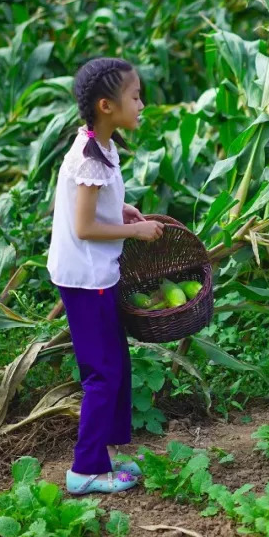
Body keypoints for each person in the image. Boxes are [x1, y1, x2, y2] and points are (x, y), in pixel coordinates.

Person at [46, 57, 164, 494]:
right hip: (85, 278)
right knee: (102, 372)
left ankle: (102, 453)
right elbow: (84, 227)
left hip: (96, 274)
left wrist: (122, 211)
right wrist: (134, 229)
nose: (142, 104)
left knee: (116, 364)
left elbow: (94, 210)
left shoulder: (101, 144)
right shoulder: (90, 158)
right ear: (106, 105)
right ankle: (85, 471)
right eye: (135, 97)